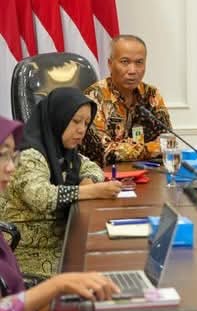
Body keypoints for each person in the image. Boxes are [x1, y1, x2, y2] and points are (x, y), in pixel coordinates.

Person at [0, 115, 120, 311]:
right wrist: (58, 285)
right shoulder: (34, 155)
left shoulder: (64, 152)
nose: (11, 167)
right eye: (1, 156)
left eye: (12, 156)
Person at [0, 88, 123, 279]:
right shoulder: (29, 154)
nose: (82, 130)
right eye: (75, 121)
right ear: (58, 118)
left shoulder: (62, 151)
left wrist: (88, 181)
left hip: (60, 242)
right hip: (30, 253)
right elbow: (42, 197)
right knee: (102, 270)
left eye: (86, 123)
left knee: (110, 259)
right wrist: (92, 191)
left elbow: (92, 167)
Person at [82, 35, 171, 165]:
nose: (132, 71)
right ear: (110, 64)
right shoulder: (94, 96)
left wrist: (128, 149)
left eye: (139, 62)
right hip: (106, 173)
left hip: (148, 171)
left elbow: (168, 141)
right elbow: (102, 150)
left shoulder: (151, 94)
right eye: (125, 62)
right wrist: (150, 149)